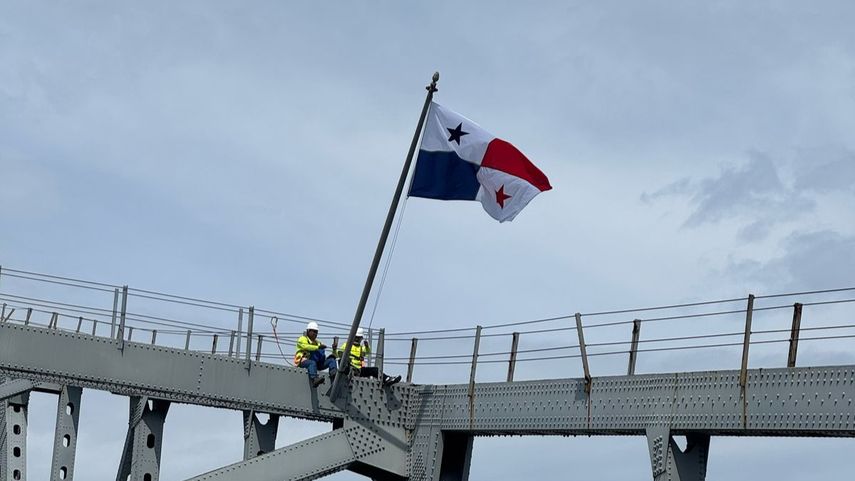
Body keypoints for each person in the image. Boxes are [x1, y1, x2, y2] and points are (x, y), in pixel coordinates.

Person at [337, 327, 401, 387]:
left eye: (359, 338)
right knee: (341, 361)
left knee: (374, 370)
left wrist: (367, 346)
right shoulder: (346, 345)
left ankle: (386, 379)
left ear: (361, 338)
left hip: (358, 370)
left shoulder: (361, 348)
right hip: (349, 367)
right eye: (356, 337)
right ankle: (345, 374)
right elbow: (339, 353)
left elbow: (367, 352)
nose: (357, 339)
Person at [294, 321, 337, 388]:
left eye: (316, 332)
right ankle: (314, 379)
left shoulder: (317, 342)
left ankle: (333, 374)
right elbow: (306, 346)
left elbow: (335, 356)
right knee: (312, 363)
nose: (315, 334)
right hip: (303, 361)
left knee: (331, 360)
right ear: (308, 331)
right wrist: (318, 347)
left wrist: (334, 349)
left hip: (317, 364)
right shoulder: (302, 339)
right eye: (313, 331)